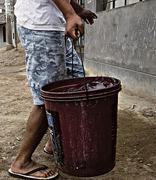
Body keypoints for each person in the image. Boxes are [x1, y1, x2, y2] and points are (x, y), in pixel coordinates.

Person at [8, 0, 97, 179]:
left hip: (55, 26)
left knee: (75, 82)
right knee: (48, 97)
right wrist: (70, 14)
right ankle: (21, 162)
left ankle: (55, 143)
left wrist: (77, 10)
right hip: (41, 27)